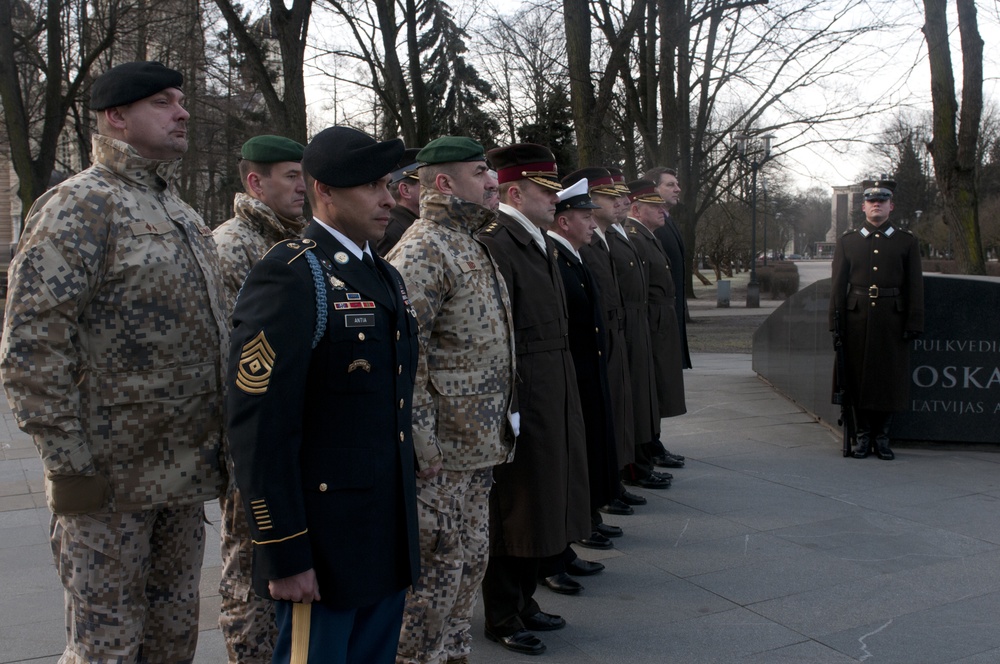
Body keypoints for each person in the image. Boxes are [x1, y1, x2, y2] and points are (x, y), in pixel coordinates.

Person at [0, 61, 228, 661]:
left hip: (182, 479)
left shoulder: (179, 212)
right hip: (109, 485)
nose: (182, 112)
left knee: (173, 638)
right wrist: (71, 468)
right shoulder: (80, 206)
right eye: (163, 102)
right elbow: (30, 347)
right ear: (116, 118)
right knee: (106, 646)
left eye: (181, 100)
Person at [226, 126, 420, 662]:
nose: (387, 198)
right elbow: (259, 426)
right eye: (370, 186)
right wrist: (283, 550)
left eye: (388, 183)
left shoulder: (383, 274)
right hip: (325, 546)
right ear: (325, 192)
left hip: (382, 534)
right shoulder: (291, 275)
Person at [386, 136, 516, 664]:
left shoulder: (470, 241)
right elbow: (403, 360)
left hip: (476, 449)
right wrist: (424, 448)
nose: (493, 182)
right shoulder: (423, 250)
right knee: (432, 591)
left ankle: (453, 654)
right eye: (481, 171)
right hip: (439, 462)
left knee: (466, 572)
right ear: (443, 183)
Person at [477, 143, 590, 656]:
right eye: (546, 191)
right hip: (524, 387)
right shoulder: (499, 241)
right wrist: (513, 404)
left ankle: (523, 602)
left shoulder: (534, 238)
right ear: (515, 192)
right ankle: (502, 613)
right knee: (515, 504)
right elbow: (502, 333)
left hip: (551, 382)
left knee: (540, 498)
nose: (555, 199)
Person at [213, 134, 306, 662]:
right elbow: (234, 353)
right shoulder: (235, 245)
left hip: (287, 431)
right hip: (251, 435)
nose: (301, 187)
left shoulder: (288, 241)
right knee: (249, 565)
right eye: (289, 176)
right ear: (256, 182)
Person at [540, 178, 620, 595]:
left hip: (584, 372)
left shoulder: (572, 255)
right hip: (567, 376)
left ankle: (565, 548)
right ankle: (554, 556)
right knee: (565, 468)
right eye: (586, 217)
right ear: (565, 220)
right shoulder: (555, 254)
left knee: (580, 462)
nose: (593, 224)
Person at [829, 178, 924, 460]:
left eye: (882, 201)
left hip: (892, 321)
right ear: (863, 207)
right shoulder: (849, 241)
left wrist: (913, 322)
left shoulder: (906, 242)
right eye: (872, 201)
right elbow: (838, 286)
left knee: (888, 381)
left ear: (891, 206)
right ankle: (862, 436)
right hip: (856, 320)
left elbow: (914, 286)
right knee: (857, 380)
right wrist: (835, 324)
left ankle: (882, 438)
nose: (877, 205)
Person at [625, 179, 686, 423]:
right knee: (652, 383)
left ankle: (654, 439)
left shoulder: (647, 236)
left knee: (660, 383)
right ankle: (652, 441)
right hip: (652, 322)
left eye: (662, 206)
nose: (663, 210)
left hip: (660, 321)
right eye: (655, 206)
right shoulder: (636, 238)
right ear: (636, 209)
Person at [645, 166, 693, 371]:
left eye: (678, 184)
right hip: (660, 321)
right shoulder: (652, 227)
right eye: (670, 184)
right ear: (654, 190)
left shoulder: (667, 222)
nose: (678, 189)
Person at [377, 147, 422, 256]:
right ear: (405, 190)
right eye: (425, 183)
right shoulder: (391, 231)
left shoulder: (411, 222)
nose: (433, 188)